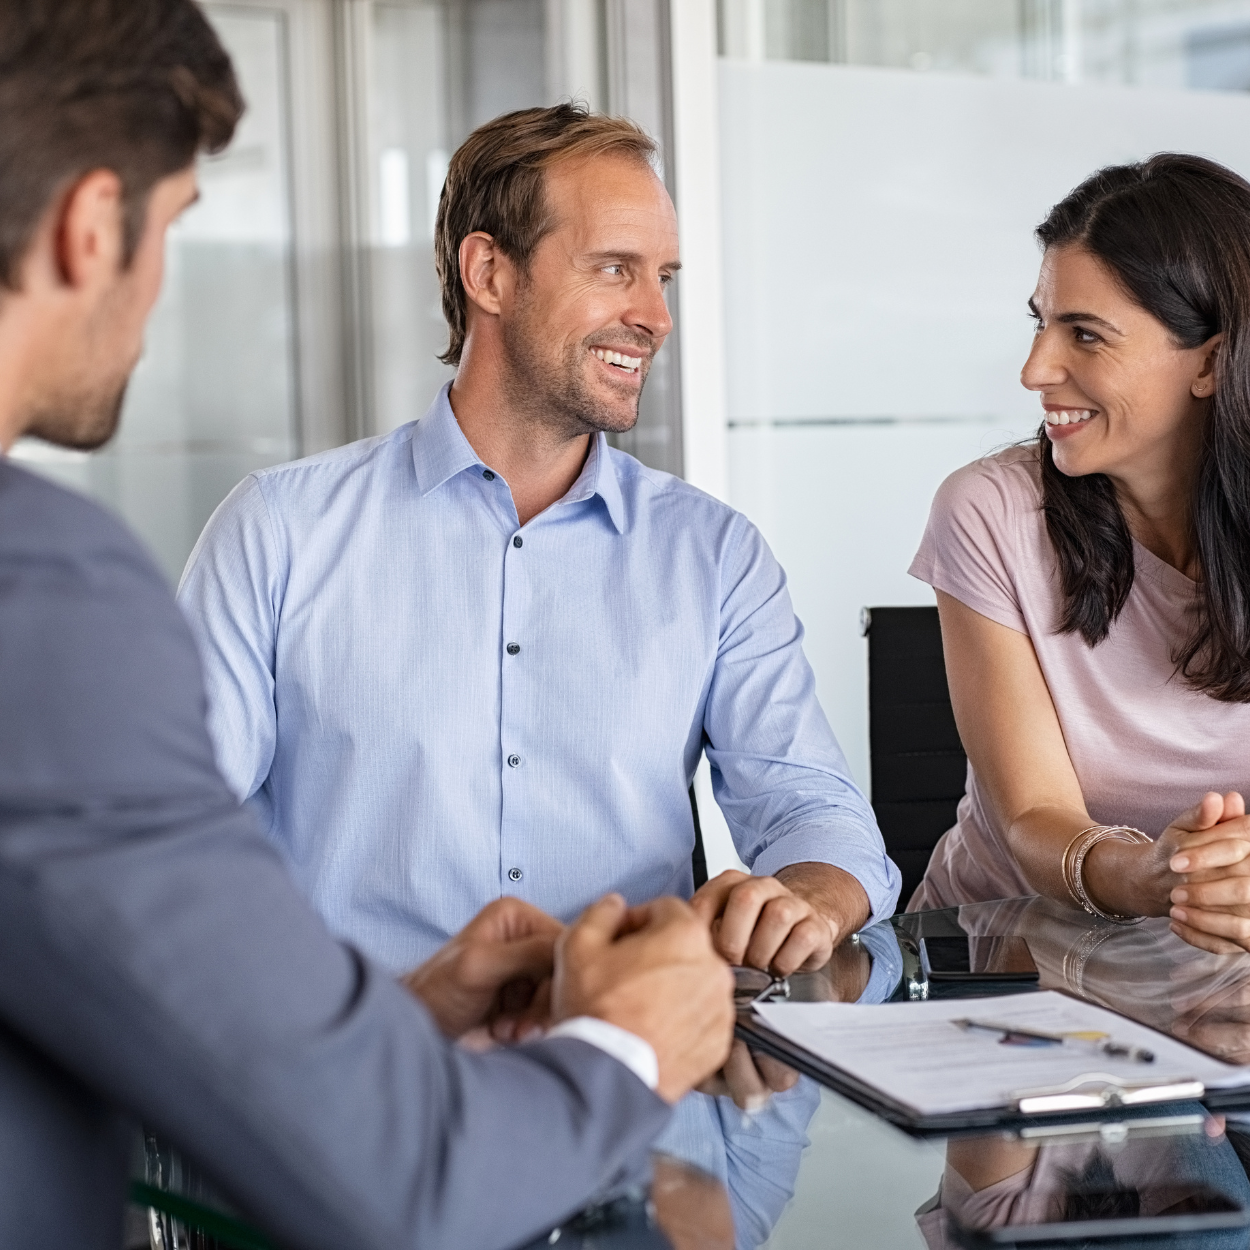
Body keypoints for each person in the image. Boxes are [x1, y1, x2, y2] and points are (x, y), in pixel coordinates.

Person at [0, 3, 736, 1246]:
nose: (652, 312)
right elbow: (405, 1180)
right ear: (88, 227)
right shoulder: (46, 593)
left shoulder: (709, 548)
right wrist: (628, 1038)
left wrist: (397, 1012)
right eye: (174, 227)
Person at [177, 104, 901, 999]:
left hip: (631, 1077)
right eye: (614, 270)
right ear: (489, 271)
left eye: (663, 278)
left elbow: (813, 810)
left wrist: (810, 898)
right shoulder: (278, 531)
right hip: (361, 1079)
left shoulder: (713, 555)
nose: (656, 317)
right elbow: (175, 835)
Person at [908, 153, 1250, 954]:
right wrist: (1155, 877)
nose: (1035, 370)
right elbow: (1030, 817)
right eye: (1041, 320)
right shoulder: (989, 511)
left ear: (1210, 360)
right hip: (1003, 959)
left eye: (1085, 335)